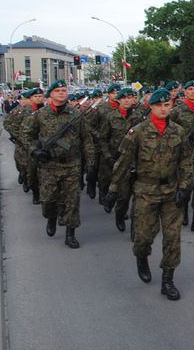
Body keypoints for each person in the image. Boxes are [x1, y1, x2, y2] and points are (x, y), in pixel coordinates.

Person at [104, 89, 193, 300]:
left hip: (171, 192)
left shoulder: (179, 132)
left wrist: (184, 188)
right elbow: (123, 162)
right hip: (146, 192)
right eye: (159, 105)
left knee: (172, 238)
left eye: (167, 105)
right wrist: (113, 190)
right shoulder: (138, 132)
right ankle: (141, 257)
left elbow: (186, 162)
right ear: (151, 106)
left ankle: (168, 280)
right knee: (143, 237)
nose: (164, 109)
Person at [24, 80, 96, 249]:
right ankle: (51, 218)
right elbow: (26, 135)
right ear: (51, 94)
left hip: (72, 164)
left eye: (64, 90)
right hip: (49, 165)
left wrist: (91, 163)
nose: (62, 93)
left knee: (72, 200)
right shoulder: (40, 115)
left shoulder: (76, 114)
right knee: (48, 201)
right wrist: (35, 151)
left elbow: (87, 140)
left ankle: (70, 234)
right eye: (58, 90)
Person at [169, 79, 194, 235]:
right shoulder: (177, 111)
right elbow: (169, 132)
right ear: (185, 91)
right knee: (186, 185)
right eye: (190, 89)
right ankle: (184, 212)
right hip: (184, 154)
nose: (193, 91)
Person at [99, 88, 137, 232]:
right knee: (123, 196)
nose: (128, 101)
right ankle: (119, 215)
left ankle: (135, 226)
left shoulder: (139, 116)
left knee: (139, 196)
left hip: (137, 161)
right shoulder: (110, 117)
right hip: (118, 161)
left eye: (130, 98)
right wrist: (108, 156)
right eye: (124, 98)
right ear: (119, 100)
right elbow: (103, 139)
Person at [97, 83, 122, 206]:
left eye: (118, 93)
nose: (116, 95)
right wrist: (98, 135)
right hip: (105, 144)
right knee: (105, 175)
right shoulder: (102, 108)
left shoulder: (123, 107)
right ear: (109, 94)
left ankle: (117, 201)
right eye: (114, 93)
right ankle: (103, 192)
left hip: (120, 147)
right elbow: (92, 125)